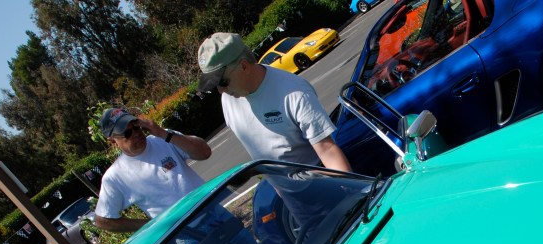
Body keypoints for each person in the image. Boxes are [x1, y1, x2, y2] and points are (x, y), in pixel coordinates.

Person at [196, 32, 351, 172]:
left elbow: (327, 150)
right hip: (282, 191)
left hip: (320, 185)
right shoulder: (228, 99)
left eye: (223, 82)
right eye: (215, 85)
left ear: (244, 66)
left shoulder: (295, 93)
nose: (221, 91)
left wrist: (350, 190)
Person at [94, 108, 213, 232]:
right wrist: (152, 225)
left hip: (212, 210)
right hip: (185, 234)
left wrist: (163, 133)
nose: (135, 134)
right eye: (127, 133)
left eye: (136, 127)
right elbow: (103, 221)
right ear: (112, 140)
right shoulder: (115, 176)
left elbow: (205, 152)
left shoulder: (164, 139)